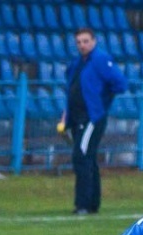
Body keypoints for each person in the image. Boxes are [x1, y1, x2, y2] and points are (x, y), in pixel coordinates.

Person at [60, 27, 127, 215]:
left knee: (81, 156)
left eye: (85, 41)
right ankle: (91, 203)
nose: (82, 45)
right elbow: (72, 90)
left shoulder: (100, 60)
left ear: (94, 41)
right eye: (79, 42)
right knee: (87, 157)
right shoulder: (77, 64)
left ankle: (84, 204)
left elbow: (120, 84)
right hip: (77, 117)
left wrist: (101, 104)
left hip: (91, 117)